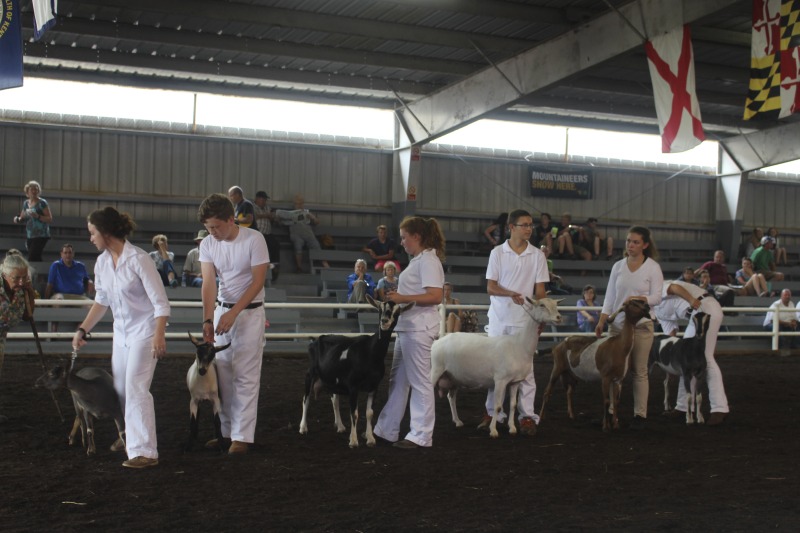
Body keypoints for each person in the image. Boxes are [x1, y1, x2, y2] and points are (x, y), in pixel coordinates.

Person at [72, 207, 169, 469]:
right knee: (123, 390)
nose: (90, 238)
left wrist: (159, 335)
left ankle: (145, 452)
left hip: (145, 332)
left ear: (105, 232)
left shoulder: (139, 260)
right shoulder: (102, 262)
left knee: (137, 387)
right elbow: (101, 301)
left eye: (92, 233)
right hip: (122, 335)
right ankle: (131, 438)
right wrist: (83, 329)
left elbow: (160, 303)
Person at [198, 193, 269, 455]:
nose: (213, 232)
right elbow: (208, 283)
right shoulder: (208, 244)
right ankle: (225, 433)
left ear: (231, 219)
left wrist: (234, 313)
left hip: (250, 313)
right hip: (221, 312)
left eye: (216, 226)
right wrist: (208, 318)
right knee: (223, 373)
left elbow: (257, 282)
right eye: (208, 228)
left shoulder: (254, 239)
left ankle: (242, 436)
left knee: (246, 375)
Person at [374, 216, 445, 449]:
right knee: (399, 380)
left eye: (405, 238)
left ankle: (421, 435)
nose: (402, 242)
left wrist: (403, 297)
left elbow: (436, 296)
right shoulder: (419, 261)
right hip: (408, 326)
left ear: (417, 237)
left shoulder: (428, 261)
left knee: (419, 381)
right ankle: (387, 429)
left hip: (419, 328)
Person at [478, 209, 549, 436]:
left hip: (525, 321)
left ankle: (527, 416)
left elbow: (540, 291)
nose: (529, 228)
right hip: (499, 318)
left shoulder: (537, 255)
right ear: (511, 227)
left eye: (530, 225)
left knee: (526, 372)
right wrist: (510, 294)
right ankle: (493, 413)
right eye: (524, 225)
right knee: (494, 369)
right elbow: (491, 287)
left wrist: (541, 313)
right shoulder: (497, 253)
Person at [595, 226, 663, 430]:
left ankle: (640, 414)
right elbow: (610, 297)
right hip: (616, 326)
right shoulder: (618, 266)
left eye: (635, 242)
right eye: (628, 241)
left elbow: (657, 297)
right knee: (613, 370)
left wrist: (641, 298)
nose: (630, 245)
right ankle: (610, 411)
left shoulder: (653, 267)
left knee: (639, 370)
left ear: (645, 245)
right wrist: (602, 319)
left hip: (641, 325)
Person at [652, 280, 729, 425]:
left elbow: (675, 288)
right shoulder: (657, 312)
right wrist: (671, 365)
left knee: (705, 358)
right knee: (685, 360)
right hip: (695, 315)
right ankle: (683, 407)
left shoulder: (654, 288)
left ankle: (720, 408)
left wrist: (691, 300)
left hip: (705, 307)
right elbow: (671, 335)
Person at [1, 253, 36, 424]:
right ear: (5, 274)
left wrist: (29, 291)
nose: (21, 281)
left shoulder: (22, 289)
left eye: (24, 277)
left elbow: (26, 315)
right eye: (17, 278)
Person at [277, 194, 326, 273]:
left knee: (316, 245)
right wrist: (278, 218)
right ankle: (299, 267)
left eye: (301, 203)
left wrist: (312, 218)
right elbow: (280, 223)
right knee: (297, 245)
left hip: (308, 234)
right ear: (294, 204)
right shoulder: (289, 214)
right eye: (297, 203)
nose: (299, 205)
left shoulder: (306, 213)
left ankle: (326, 267)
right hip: (296, 235)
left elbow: (317, 222)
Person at [13, 180, 53, 262]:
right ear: (27, 191)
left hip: (41, 235)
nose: (34, 191)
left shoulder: (42, 203)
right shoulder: (25, 203)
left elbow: (49, 219)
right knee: (36, 258)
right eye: (32, 189)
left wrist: (37, 216)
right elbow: (21, 217)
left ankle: (34, 274)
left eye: (36, 189)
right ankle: (41, 274)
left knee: (32, 258)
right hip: (30, 235)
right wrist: (18, 219)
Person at [253, 191, 280, 282]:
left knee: (275, 245)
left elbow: (274, 217)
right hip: (258, 234)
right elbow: (254, 216)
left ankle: (275, 266)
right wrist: (266, 215)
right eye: (262, 199)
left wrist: (273, 217)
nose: (264, 201)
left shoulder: (268, 208)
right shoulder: (253, 207)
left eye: (265, 200)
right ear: (257, 199)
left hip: (268, 234)